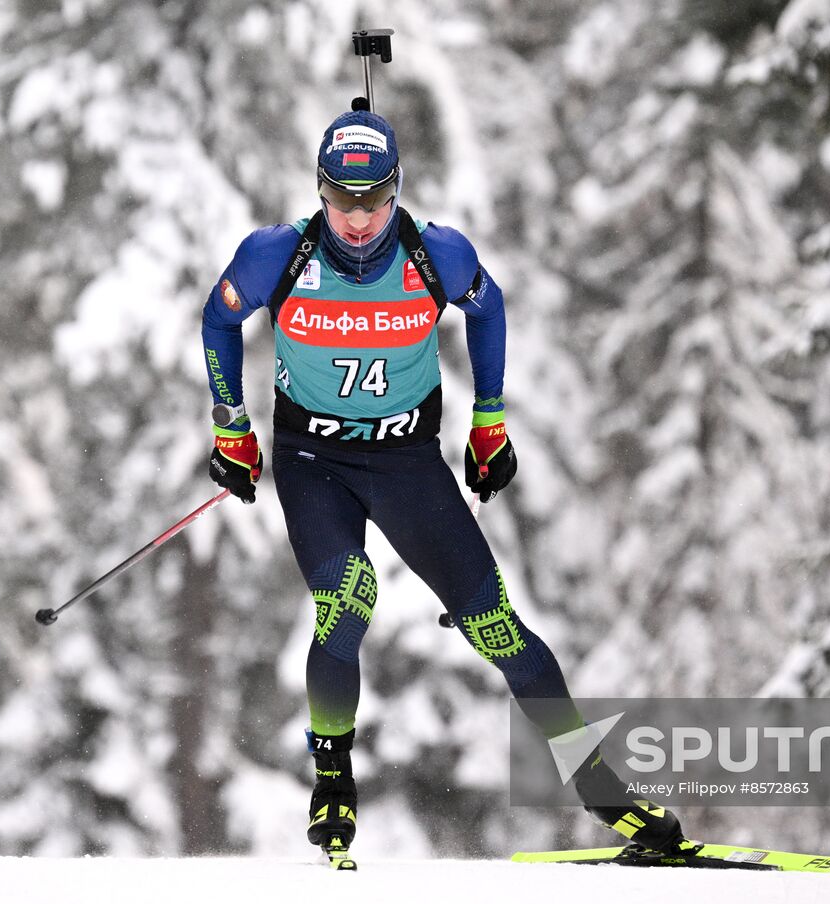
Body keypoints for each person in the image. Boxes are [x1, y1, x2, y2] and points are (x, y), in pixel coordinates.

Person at [200, 106, 681, 856]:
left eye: (374, 201)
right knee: (347, 602)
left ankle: (601, 789)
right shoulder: (278, 256)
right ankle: (333, 786)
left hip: (407, 463)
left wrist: (489, 419)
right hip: (312, 463)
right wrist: (230, 422)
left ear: (396, 191)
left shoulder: (437, 256)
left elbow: (488, 310)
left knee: (498, 626)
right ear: (319, 192)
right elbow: (219, 319)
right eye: (341, 200)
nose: (358, 219)